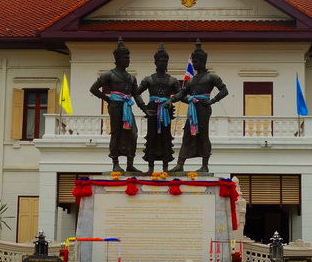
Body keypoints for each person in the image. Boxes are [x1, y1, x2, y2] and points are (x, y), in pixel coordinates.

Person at [170, 40, 229, 174]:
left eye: (196, 61)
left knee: (203, 134)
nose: (194, 64)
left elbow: (224, 91)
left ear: (202, 62)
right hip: (192, 109)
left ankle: (205, 165)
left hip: (203, 108)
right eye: (193, 61)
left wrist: (212, 101)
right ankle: (180, 163)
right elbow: (182, 93)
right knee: (187, 133)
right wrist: (171, 100)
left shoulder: (211, 77)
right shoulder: (192, 80)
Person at [89, 38, 140, 173]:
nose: (128, 60)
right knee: (116, 133)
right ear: (118, 59)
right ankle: (115, 163)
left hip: (127, 107)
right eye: (125, 57)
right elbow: (93, 89)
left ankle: (130, 163)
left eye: (128, 57)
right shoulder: (109, 75)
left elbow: (136, 95)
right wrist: (107, 99)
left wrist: (145, 108)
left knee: (133, 133)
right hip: (115, 106)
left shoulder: (131, 78)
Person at [137, 43, 182, 173]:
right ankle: (150, 166)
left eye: (165, 61)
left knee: (165, 136)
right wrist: (144, 108)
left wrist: (172, 99)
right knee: (151, 136)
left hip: (166, 110)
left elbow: (181, 94)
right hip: (152, 110)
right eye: (161, 61)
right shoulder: (149, 79)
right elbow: (136, 93)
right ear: (155, 62)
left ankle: (165, 166)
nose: (163, 63)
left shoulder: (172, 80)